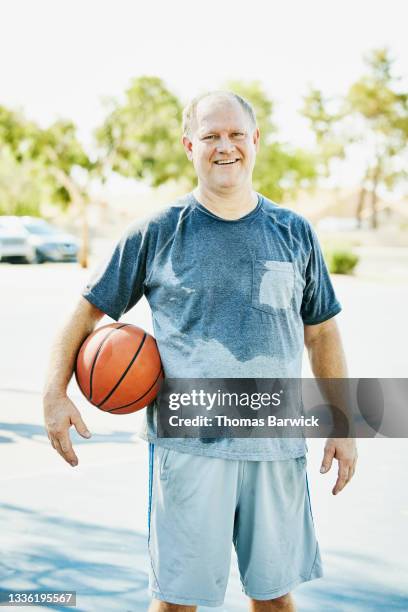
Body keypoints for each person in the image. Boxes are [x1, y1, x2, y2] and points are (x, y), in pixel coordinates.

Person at [43, 90, 358, 611]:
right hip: (189, 451)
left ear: (255, 141)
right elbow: (84, 312)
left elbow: (322, 333)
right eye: (211, 136)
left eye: (236, 134)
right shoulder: (157, 231)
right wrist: (54, 393)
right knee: (176, 604)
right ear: (190, 145)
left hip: (275, 447)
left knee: (276, 600)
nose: (225, 146)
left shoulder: (294, 232)